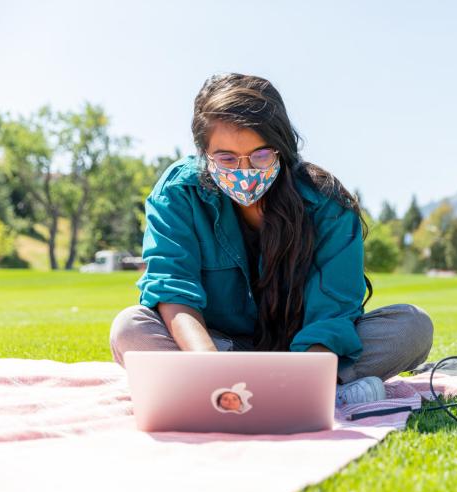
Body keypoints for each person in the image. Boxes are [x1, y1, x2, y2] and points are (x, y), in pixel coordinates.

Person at [109, 73, 433, 405]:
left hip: (306, 354)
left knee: (412, 327)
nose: (245, 170)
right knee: (131, 329)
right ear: (205, 154)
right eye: (227, 159)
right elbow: (172, 287)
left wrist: (311, 368)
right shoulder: (179, 192)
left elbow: (333, 312)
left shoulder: (327, 204)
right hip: (216, 348)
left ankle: (283, 387)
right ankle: (317, 392)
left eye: (261, 155)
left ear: (281, 147)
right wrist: (208, 363)